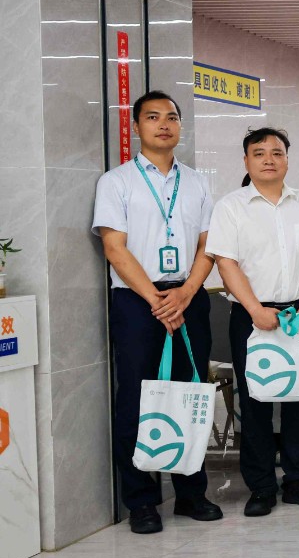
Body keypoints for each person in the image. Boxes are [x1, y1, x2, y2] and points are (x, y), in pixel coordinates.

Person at [92, 91, 223, 534]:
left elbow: (208, 245)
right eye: (152, 117)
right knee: (136, 396)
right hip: (137, 301)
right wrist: (156, 299)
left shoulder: (197, 182)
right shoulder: (116, 182)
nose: (164, 124)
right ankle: (142, 501)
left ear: (180, 126)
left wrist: (185, 292)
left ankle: (191, 493)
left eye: (171, 117)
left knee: (190, 393)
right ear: (136, 127)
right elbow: (115, 248)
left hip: (188, 296)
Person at [207, 127, 299, 517]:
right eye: (259, 153)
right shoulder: (230, 206)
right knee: (255, 402)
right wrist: (254, 309)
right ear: (246, 160)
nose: (268, 159)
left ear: (287, 160)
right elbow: (225, 262)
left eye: (277, 152)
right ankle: (261, 486)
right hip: (252, 314)